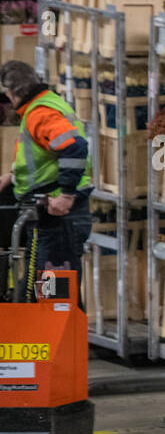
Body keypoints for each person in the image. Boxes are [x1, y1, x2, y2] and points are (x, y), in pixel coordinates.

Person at [0, 61, 93, 303]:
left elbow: (74, 147)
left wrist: (67, 195)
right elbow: (45, 157)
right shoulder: (43, 105)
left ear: (13, 93)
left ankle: (60, 341)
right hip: (49, 215)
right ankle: (56, 339)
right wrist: (13, 177)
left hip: (58, 215)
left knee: (54, 296)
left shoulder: (40, 113)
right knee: (42, 290)